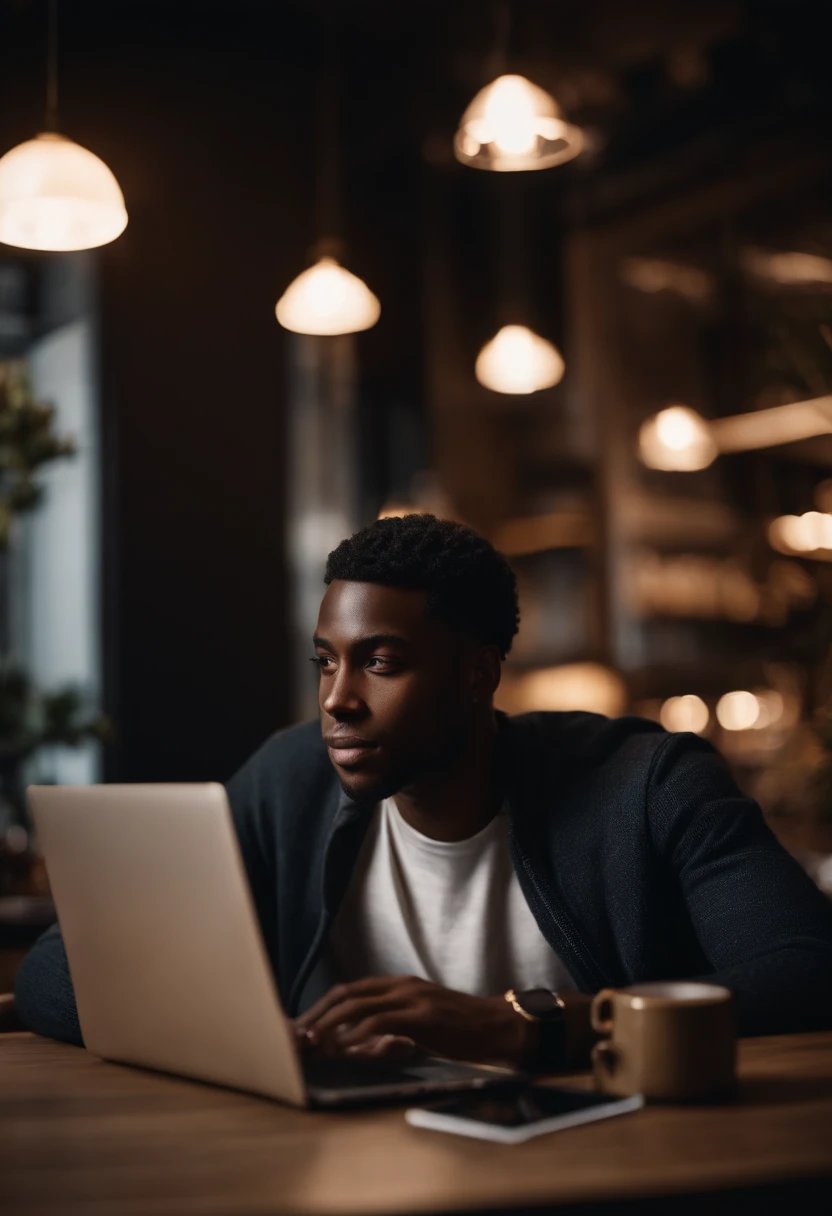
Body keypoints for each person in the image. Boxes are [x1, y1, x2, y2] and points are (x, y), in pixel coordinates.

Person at [14, 514, 832, 1067]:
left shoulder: (646, 785)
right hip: (355, 1168)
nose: (337, 699)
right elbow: (59, 973)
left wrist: (522, 1027)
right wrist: (266, 1041)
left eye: (380, 662)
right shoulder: (290, 778)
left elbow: (802, 971)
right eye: (326, 662)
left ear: (479, 675)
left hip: (603, 1160)